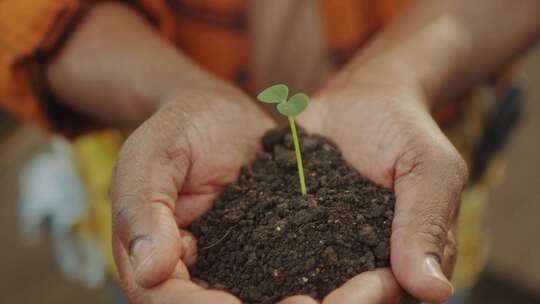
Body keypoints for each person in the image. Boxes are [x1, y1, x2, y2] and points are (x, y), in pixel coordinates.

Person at [1, 0, 539, 303]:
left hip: (413, 158)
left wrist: (400, 75)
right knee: (153, 256)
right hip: (168, 182)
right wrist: (172, 93)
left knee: (427, 258)